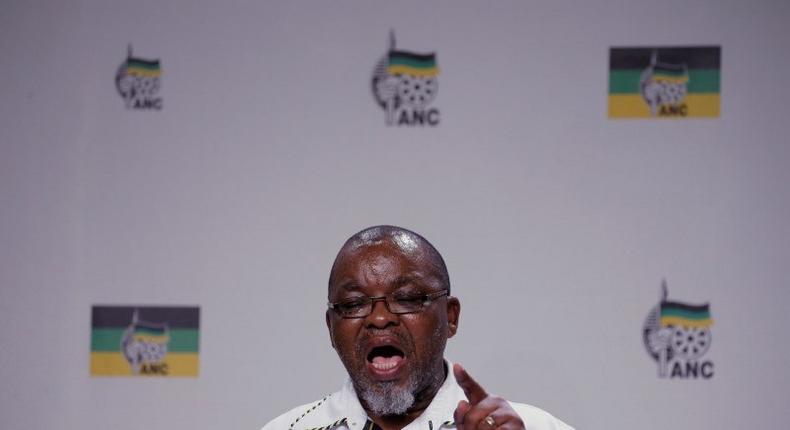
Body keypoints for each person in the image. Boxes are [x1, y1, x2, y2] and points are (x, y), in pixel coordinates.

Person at [262, 226, 573, 430]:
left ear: (450, 317)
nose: (379, 318)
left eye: (408, 298)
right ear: (331, 328)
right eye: (354, 304)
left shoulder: (533, 427)